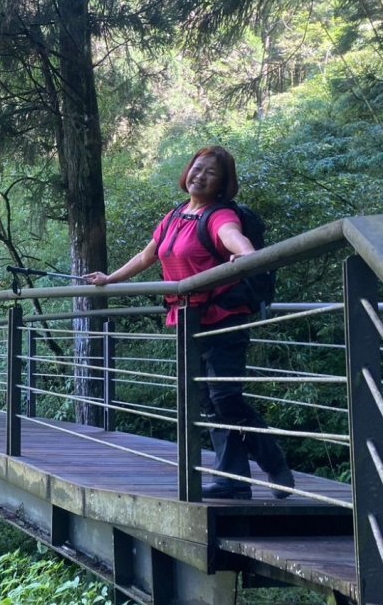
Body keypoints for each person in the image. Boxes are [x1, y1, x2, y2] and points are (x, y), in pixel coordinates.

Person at [83, 146, 294, 500]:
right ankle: (234, 481)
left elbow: (237, 242)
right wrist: (110, 279)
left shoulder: (218, 217)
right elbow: (147, 255)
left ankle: (274, 463)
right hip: (185, 320)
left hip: (223, 319)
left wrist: (244, 256)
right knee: (209, 402)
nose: (200, 176)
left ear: (222, 184)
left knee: (225, 397)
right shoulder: (176, 215)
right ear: (187, 172)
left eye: (210, 173)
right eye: (197, 168)